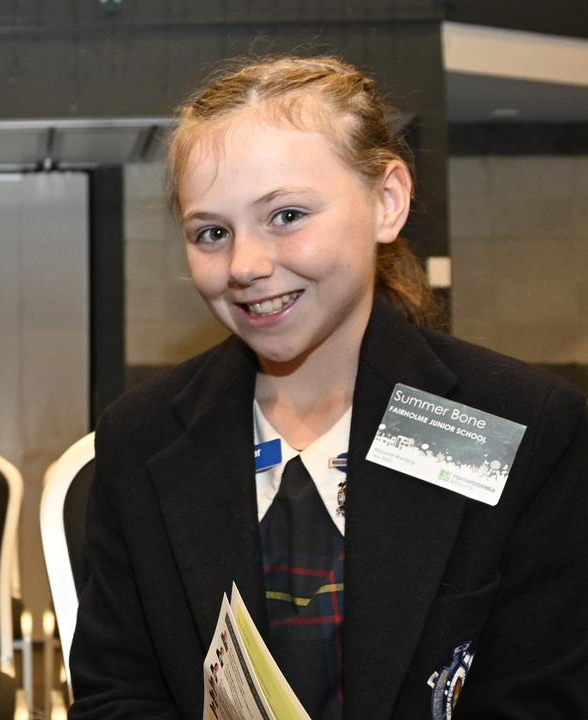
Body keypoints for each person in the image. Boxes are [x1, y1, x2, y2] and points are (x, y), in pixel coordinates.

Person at [69, 56, 588, 718]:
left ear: (387, 201)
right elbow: (117, 694)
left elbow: (539, 696)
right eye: (212, 233)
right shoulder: (140, 438)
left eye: (286, 216)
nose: (246, 266)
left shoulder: (521, 426)